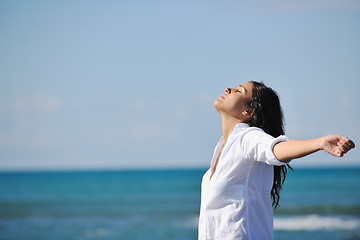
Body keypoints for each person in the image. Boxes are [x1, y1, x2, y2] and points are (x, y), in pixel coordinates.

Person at [198, 81, 355, 240]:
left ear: (248, 111)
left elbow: (276, 149)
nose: (228, 89)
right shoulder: (223, 146)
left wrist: (318, 143)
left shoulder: (247, 137)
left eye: (239, 91)